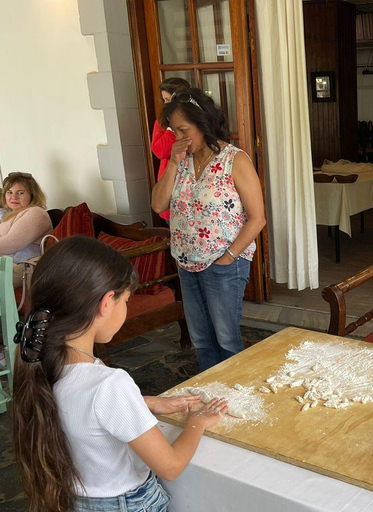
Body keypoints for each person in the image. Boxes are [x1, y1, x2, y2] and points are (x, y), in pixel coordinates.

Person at [12, 236, 228, 512]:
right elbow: (171, 466)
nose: (125, 307)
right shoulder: (110, 384)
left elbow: (81, 412)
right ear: (106, 303)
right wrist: (197, 422)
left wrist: (143, 402)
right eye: (126, 300)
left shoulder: (40, 361)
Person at [151, 88, 266, 371]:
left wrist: (229, 256)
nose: (177, 138)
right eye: (174, 131)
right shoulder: (180, 162)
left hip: (223, 263)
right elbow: (157, 205)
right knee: (201, 339)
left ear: (202, 123)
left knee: (227, 339)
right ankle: (210, 395)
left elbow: (258, 218)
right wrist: (173, 163)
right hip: (186, 263)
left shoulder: (234, 159)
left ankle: (234, 398)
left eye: (183, 130)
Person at [151, 77, 191, 223]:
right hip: (170, 181)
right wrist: (171, 128)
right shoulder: (162, 122)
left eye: (169, 100)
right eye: (164, 100)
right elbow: (159, 151)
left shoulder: (193, 121)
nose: (166, 104)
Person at [0, 172, 52, 278]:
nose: (13, 197)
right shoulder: (9, 214)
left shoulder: (36, 213)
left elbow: (11, 243)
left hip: (22, 267)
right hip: (7, 264)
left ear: (32, 195)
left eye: (20, 193)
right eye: (9, 192)